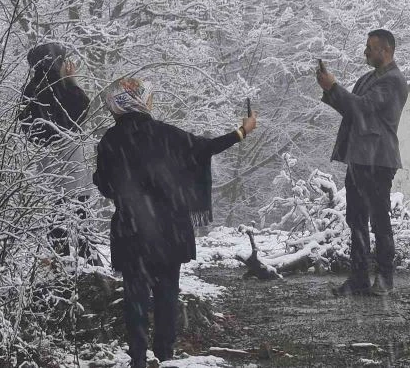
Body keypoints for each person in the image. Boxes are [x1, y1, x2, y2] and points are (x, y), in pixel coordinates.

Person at [94, 78, 257, 368]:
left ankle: (138, 358)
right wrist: (242, 131)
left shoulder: (110, 141)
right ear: (140, 100)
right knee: (167, 293)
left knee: (135, 297)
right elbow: (207, 148)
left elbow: (105, 187)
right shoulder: (168, 135)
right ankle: (165, 356)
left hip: (131, 230)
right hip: (170, 231)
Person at [317, 29, 408, 297]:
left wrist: (332, 87)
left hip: (378, 161)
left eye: (371, 47)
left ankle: (385, 278)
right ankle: (358, 277)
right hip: (360, 159)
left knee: (379, 219)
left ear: (386, 50)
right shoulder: (368, 78)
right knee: (356, 218)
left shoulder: (393, 81)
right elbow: (352, 109)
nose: (365, 52)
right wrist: (331, 90)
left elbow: (361, 108)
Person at [18, 42, 93, 257]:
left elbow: (28, 129)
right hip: (72, 167)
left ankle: (61, 273)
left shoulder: (30, 90)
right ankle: (86, 272)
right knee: (81, 227)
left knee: (57, 229)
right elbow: (79, 112)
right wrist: (72, 82)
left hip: (47, 170)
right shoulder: (61, 87)